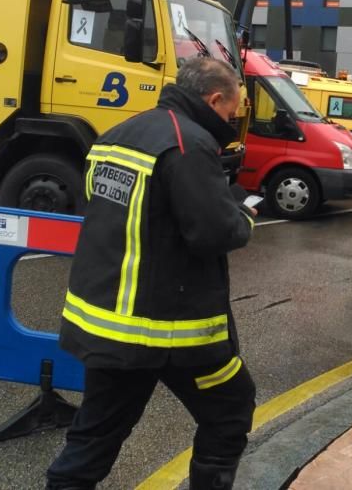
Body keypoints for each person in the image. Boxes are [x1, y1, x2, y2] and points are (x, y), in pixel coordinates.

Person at [47, 57, 256, 490]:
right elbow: (214, 232)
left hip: (106, 324)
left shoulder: (118, 135)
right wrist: (242, 214)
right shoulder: (188, 144)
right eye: (231, 112)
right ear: (215, 98)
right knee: (230, 408)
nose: (231, 121)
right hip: (165, 330)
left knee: (96, 435)